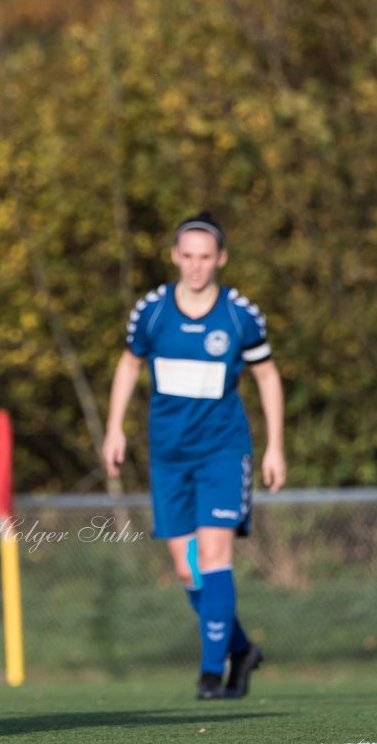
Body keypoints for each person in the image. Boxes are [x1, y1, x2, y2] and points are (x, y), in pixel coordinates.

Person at [102, 211, 286, 701]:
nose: (197, 266)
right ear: (175, 257)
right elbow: (128, 363)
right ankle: (242, 648)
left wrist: (276, 447)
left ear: (220, 258)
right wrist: (114, 428)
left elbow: (267, 376)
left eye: (206, 257)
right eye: (188, 256)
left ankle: (211, 673)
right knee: (187, 568)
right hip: (168, 457)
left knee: (213, 555)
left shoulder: (239, 314)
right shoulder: (153, 310)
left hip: (223, 453)